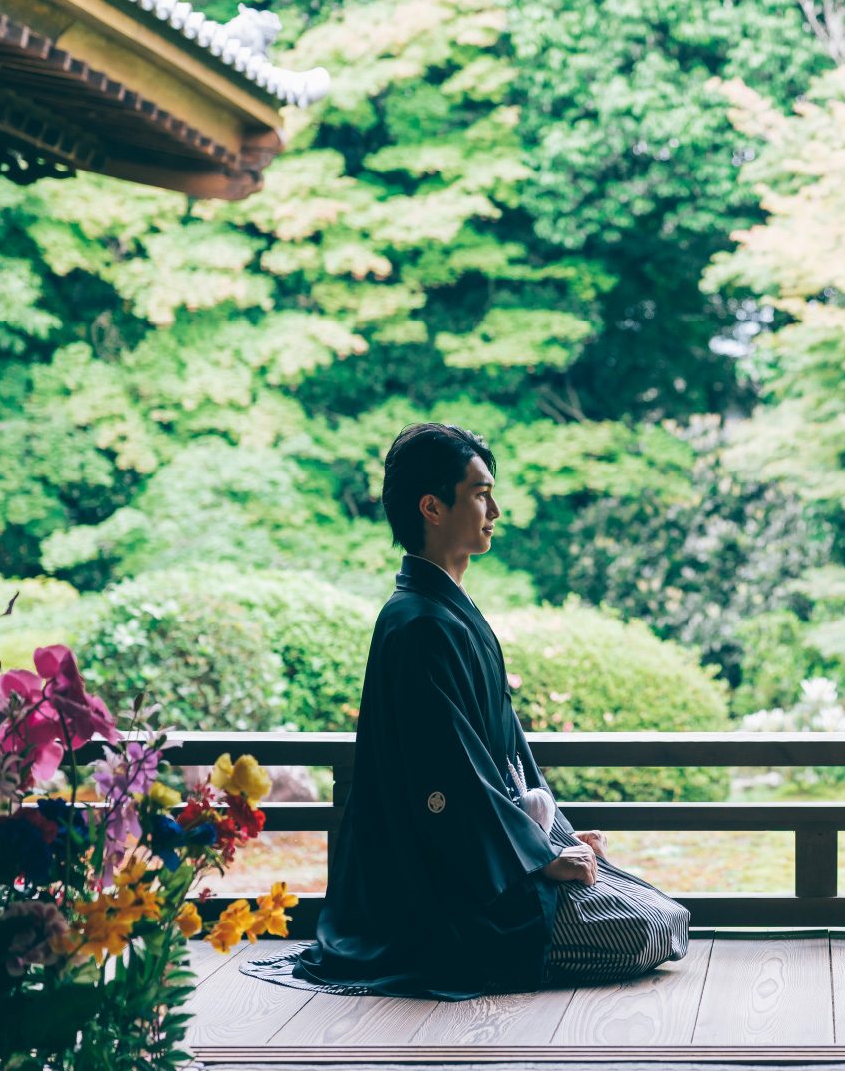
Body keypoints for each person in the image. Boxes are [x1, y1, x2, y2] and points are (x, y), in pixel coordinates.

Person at [248, 423, 689, 999]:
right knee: (649, 930)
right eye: (480, 493)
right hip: (448, 886)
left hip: (498, 850)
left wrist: (554, 839)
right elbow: (447, 784)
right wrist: (537, 858)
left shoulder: (446, 612)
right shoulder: (418, 625)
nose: (495, 509)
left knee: (662, 913)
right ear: (432, 507)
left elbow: (505, 755)